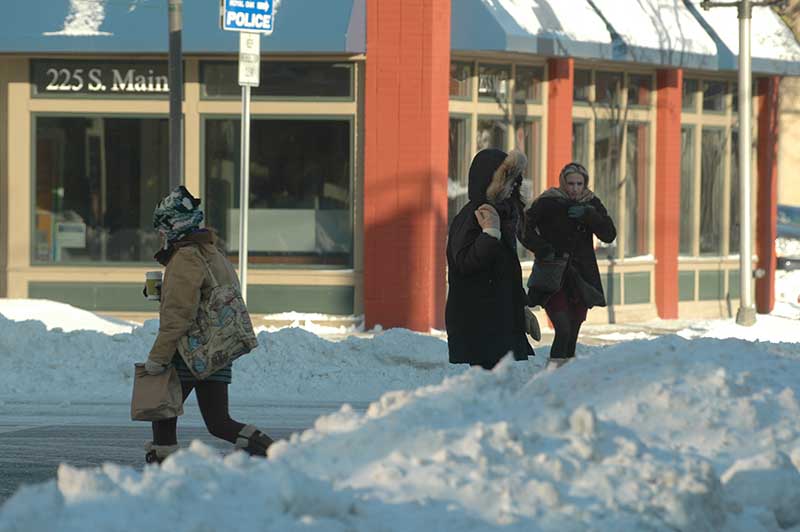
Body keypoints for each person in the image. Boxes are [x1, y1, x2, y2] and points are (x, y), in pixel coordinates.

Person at [142, 186, 273, 464]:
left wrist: (158, 358)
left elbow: (179, 315)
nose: (160, 235)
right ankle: (270, 450)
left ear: (175, 227)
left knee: (162, 409)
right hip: (217, 350)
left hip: (191, 353)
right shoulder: (212, 252)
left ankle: (163, 469)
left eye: (163, 229)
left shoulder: (185, 259)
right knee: (218, 421)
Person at [446, 148, 535, 370]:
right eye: (508, 180)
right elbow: (463, 263)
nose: (514, 185)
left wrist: (521, 307)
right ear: (490, 181)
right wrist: (489, 234)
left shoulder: (505, 214)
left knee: (494, 384)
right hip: (478, 318)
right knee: (486, 384)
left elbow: (507, 269)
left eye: (515, 180)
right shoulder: (474, 215)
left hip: (499, 315)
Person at [521, 162, 616, 368]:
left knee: (572, 331)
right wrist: (542, 248)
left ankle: (566, 381)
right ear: (562, 182)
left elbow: (609, 234)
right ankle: (551, 377)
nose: (574, 188)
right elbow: (523, 227)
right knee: (562, 328)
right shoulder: (549, 201)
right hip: (553, 275)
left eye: (579, 184)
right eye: (570, 183)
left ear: (585, 184)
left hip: (581, 277)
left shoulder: (591, 202)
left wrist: (590, 216)